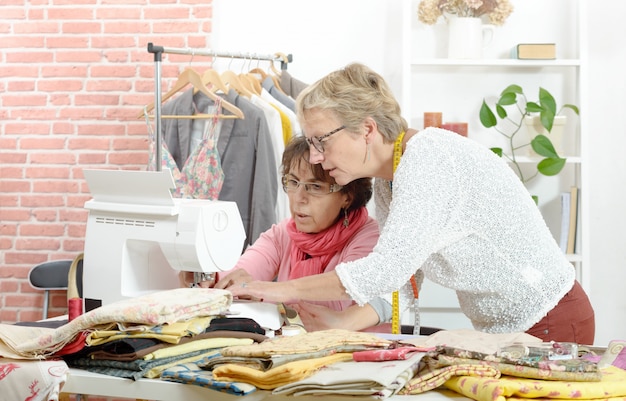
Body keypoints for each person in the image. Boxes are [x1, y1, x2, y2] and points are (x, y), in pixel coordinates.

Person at [229, 62, 596, 344]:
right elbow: (404, 280)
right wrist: (342, 324)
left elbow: (383, 270)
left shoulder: (429, 159)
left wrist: (275, 289)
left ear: (368, 130)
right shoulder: (392, 180)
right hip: (508, 330)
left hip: (550, 320)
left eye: (320, 141)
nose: (316, 156)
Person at [181, 135, 389, 332]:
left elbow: (343, 289)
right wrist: (211, 277)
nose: (298, 197)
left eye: (315, 186)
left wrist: (278, 290)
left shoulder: (370, 238)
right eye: (293, 182)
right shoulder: (284, 233)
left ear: (347, 196)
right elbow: (245, 271)